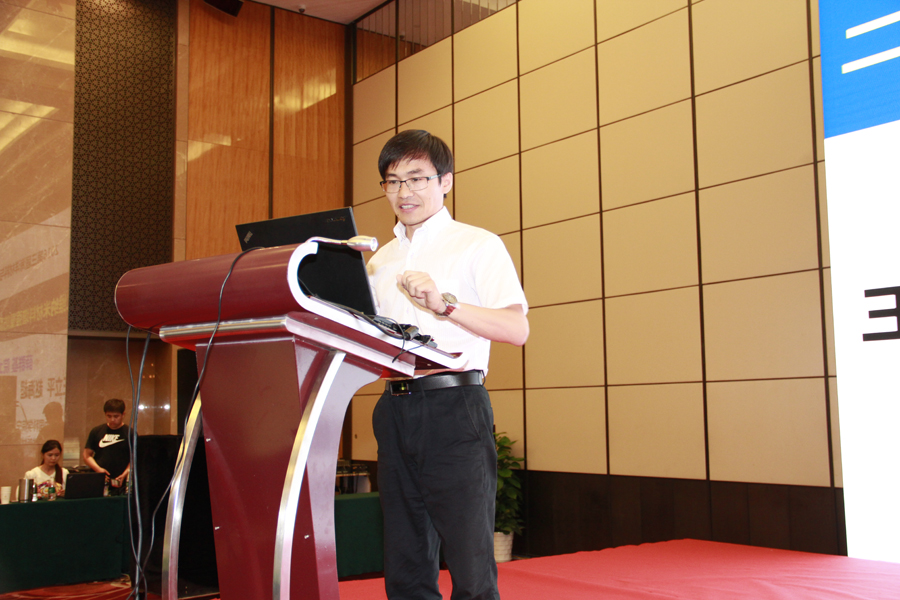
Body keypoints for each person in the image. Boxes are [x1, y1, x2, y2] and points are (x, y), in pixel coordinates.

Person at [367, 130, 529, 600]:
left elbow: (516, 329)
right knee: (405, 558)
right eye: (393, 180)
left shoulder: (477, 244)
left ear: (446, 181)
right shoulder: (377, 262)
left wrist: (445, 305)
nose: (404, 191)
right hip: (393, 407)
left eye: (417, 177)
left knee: (469, 559)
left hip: (455, 405)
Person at [84, 398, 131, 495]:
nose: (112, 420)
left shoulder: (130, 433)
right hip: (99, 480)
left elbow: (134, 458)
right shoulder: (96, 431)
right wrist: (98, 470)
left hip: (120, 480)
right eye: (109, 416)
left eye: (116, 416)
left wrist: (126, 473)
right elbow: (87, 455)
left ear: (123, 415)